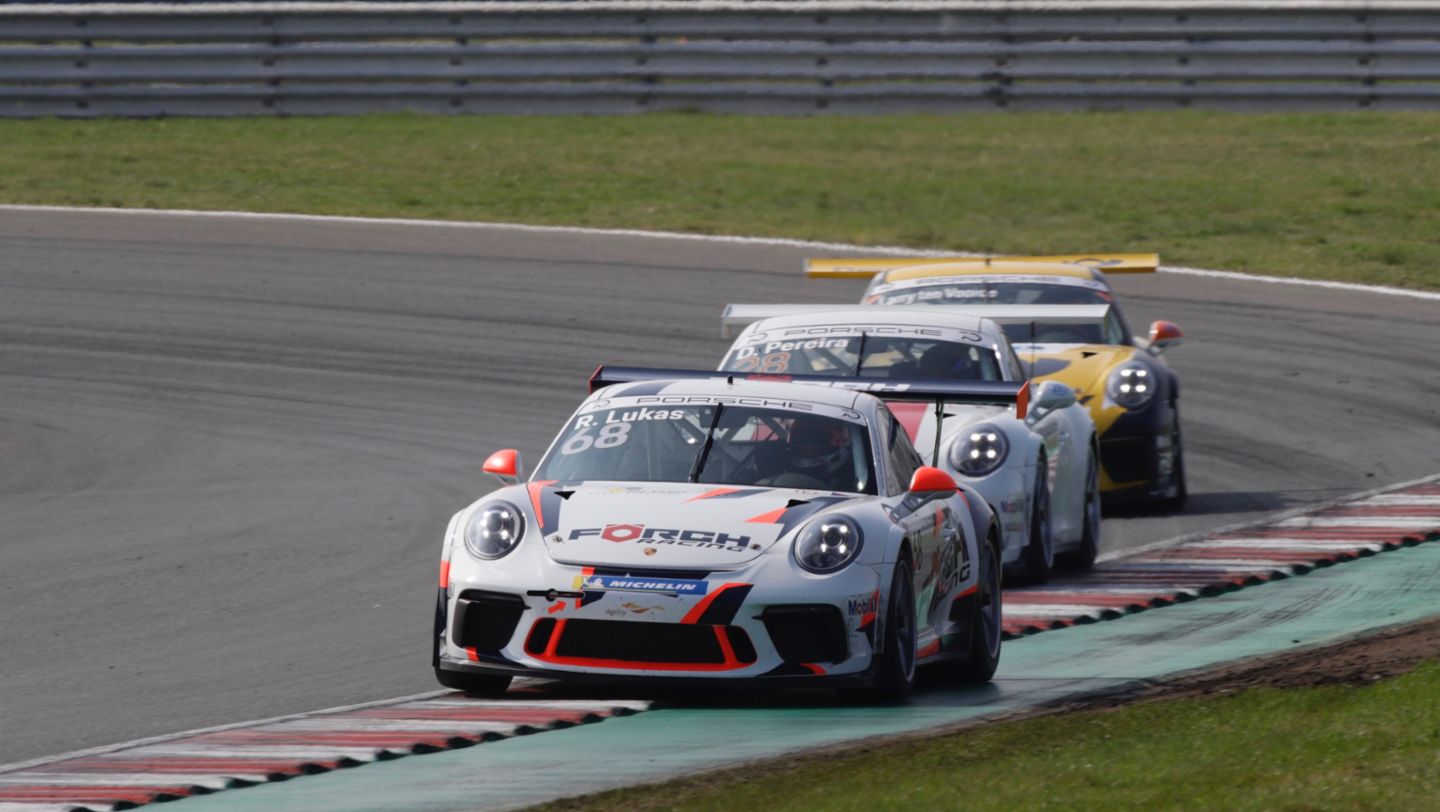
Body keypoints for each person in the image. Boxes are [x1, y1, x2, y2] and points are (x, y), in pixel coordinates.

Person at [764, 418, 852, 490]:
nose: (805, 446)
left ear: (835, 444)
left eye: (815, 440)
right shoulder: (774, 470)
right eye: (799, 439)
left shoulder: (853, 478)